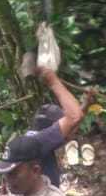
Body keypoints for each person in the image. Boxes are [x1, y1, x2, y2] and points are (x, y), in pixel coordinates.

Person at [20, 51, 84, 187]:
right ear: (52, 128)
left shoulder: (35, 138)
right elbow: (73, 118)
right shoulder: (39, 143)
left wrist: (88, 103)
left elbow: (71, 124)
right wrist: (52, 80)